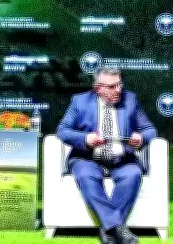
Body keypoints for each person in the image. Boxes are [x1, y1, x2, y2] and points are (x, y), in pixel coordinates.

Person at [57, 67, 157, 244]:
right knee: (86, 175)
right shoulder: (80, 101)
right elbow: (62, 131)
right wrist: (86, 139)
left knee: (133, 174)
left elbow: (150, 130)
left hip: (122, 159)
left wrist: (141, 138)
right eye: (112, 87)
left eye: (119, 84)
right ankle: (118, 228)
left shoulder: (130, 100)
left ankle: (107, 229)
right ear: (98, 88)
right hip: (87, 158)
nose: (118, 90)